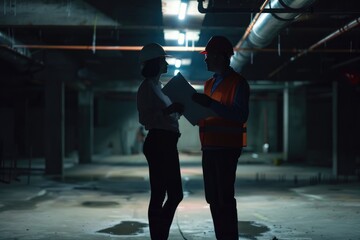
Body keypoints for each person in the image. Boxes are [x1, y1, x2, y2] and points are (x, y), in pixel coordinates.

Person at [192, 35, 250, 240]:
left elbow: (240, 115)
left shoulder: (238, 83)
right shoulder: (208, 84)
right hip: (208, 147)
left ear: (220, 56)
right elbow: (209, 111)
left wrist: (209, 104)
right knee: (213, 199)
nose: (205, 59)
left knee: (224, 199)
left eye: (208, 56)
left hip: (227, 149)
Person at [136, 43, 184, 240]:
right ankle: (159, 235)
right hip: (159, 143)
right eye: (163, 60)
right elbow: (145, 119)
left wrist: (177, 111)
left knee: (171, 194)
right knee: (163, 194)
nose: (166, 63)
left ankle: (159, 234)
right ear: (155, 63)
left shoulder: (160, 87)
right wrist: (169, 110)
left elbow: (166, 116)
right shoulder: (147, 87)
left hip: (167, 142)